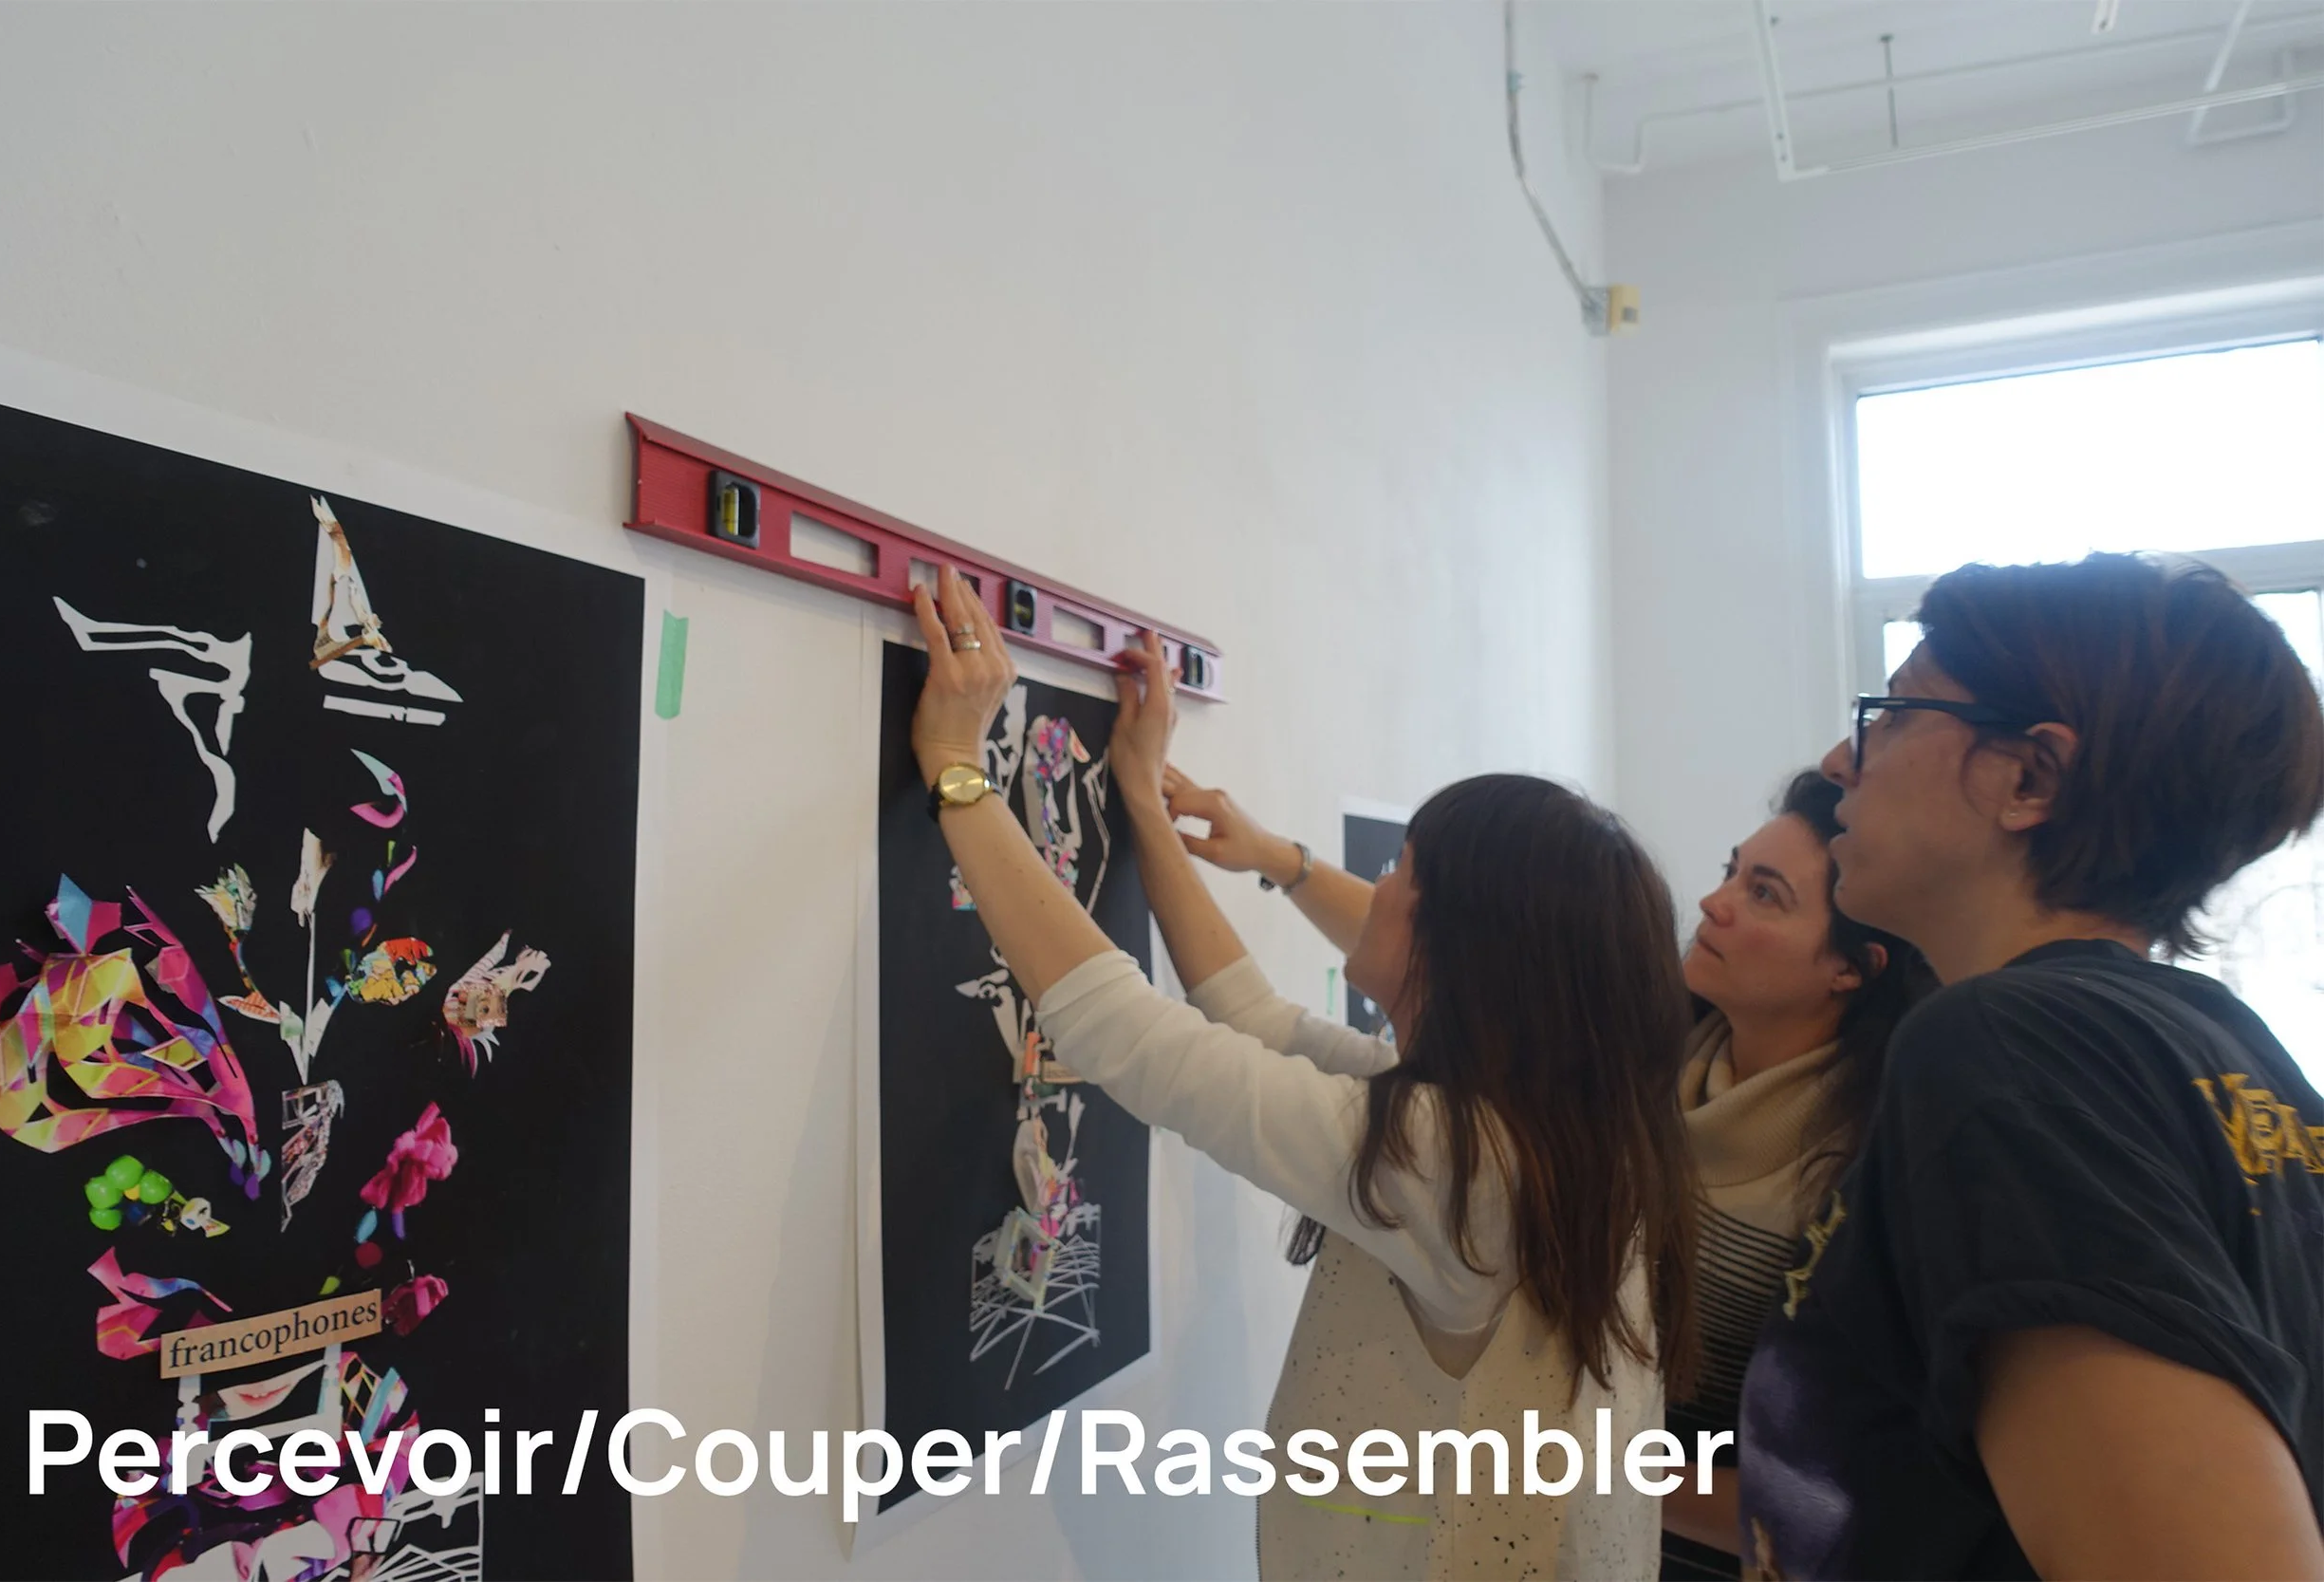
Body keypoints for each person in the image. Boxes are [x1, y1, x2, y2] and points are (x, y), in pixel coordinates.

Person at [905, 568, 1698, 1580]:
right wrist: (1143, 806)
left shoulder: (1464, 1159)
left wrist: (956, 768)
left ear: (1463, 944)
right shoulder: (1526, 1127)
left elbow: (1128, 1037)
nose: (1379, 887)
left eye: (1404, 869)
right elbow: (1250, 1019)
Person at [1166, 769, 1933, 1577]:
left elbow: (1837, 1493)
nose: (1716, 903)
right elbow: (1467, 948)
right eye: (1730, 870)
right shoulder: (1643, 1064)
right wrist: (1281, 860)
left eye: (1767, 894)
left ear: (1851, 968)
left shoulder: (1858, 1179)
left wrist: (1587, 1477)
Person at [1738, 553, 2324, 1579]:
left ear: (2027, 777)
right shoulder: (2225, 1047)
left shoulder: (2007, 1045)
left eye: (1895, 712)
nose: (1842, 757)